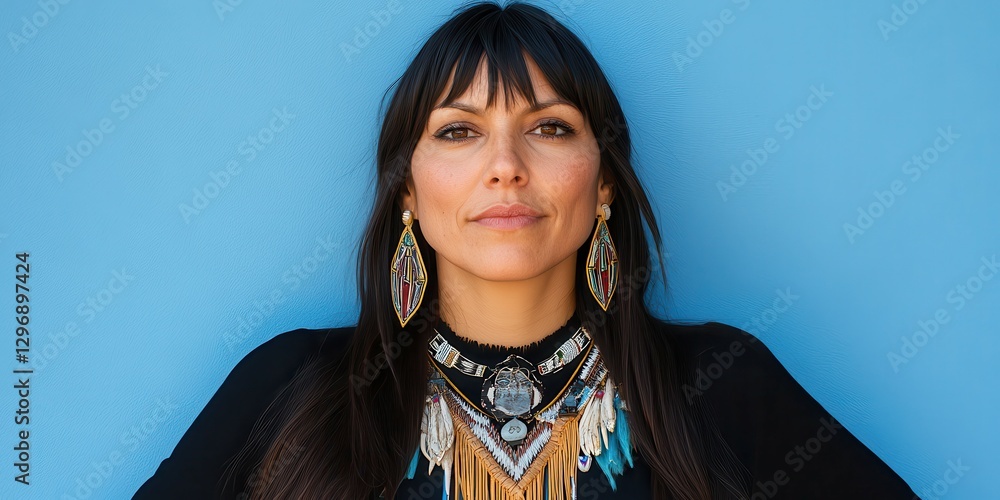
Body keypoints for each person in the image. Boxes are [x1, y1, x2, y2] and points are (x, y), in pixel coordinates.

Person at [133, 2, 917, 499]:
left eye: (548, 128)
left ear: (603, 181)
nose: (505, 165)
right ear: (407, 190)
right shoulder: (295, 387)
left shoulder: (718, 384)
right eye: (458, 131)